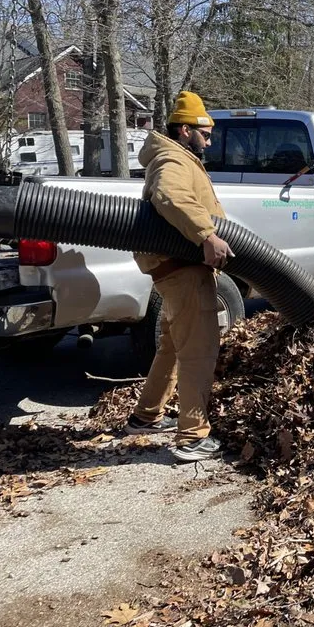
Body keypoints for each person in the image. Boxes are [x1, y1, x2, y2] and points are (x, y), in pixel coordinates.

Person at [123, 90, 235, 462]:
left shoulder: (178, 157)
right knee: (199, 350)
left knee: (172, 347)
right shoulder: (172, 160)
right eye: (205, 133)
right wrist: (207, 235)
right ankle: (192, 438)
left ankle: (145, 416)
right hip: (184, 271)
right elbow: (170, 196)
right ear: (185, 130)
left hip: (176, 271)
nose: (210, 139)